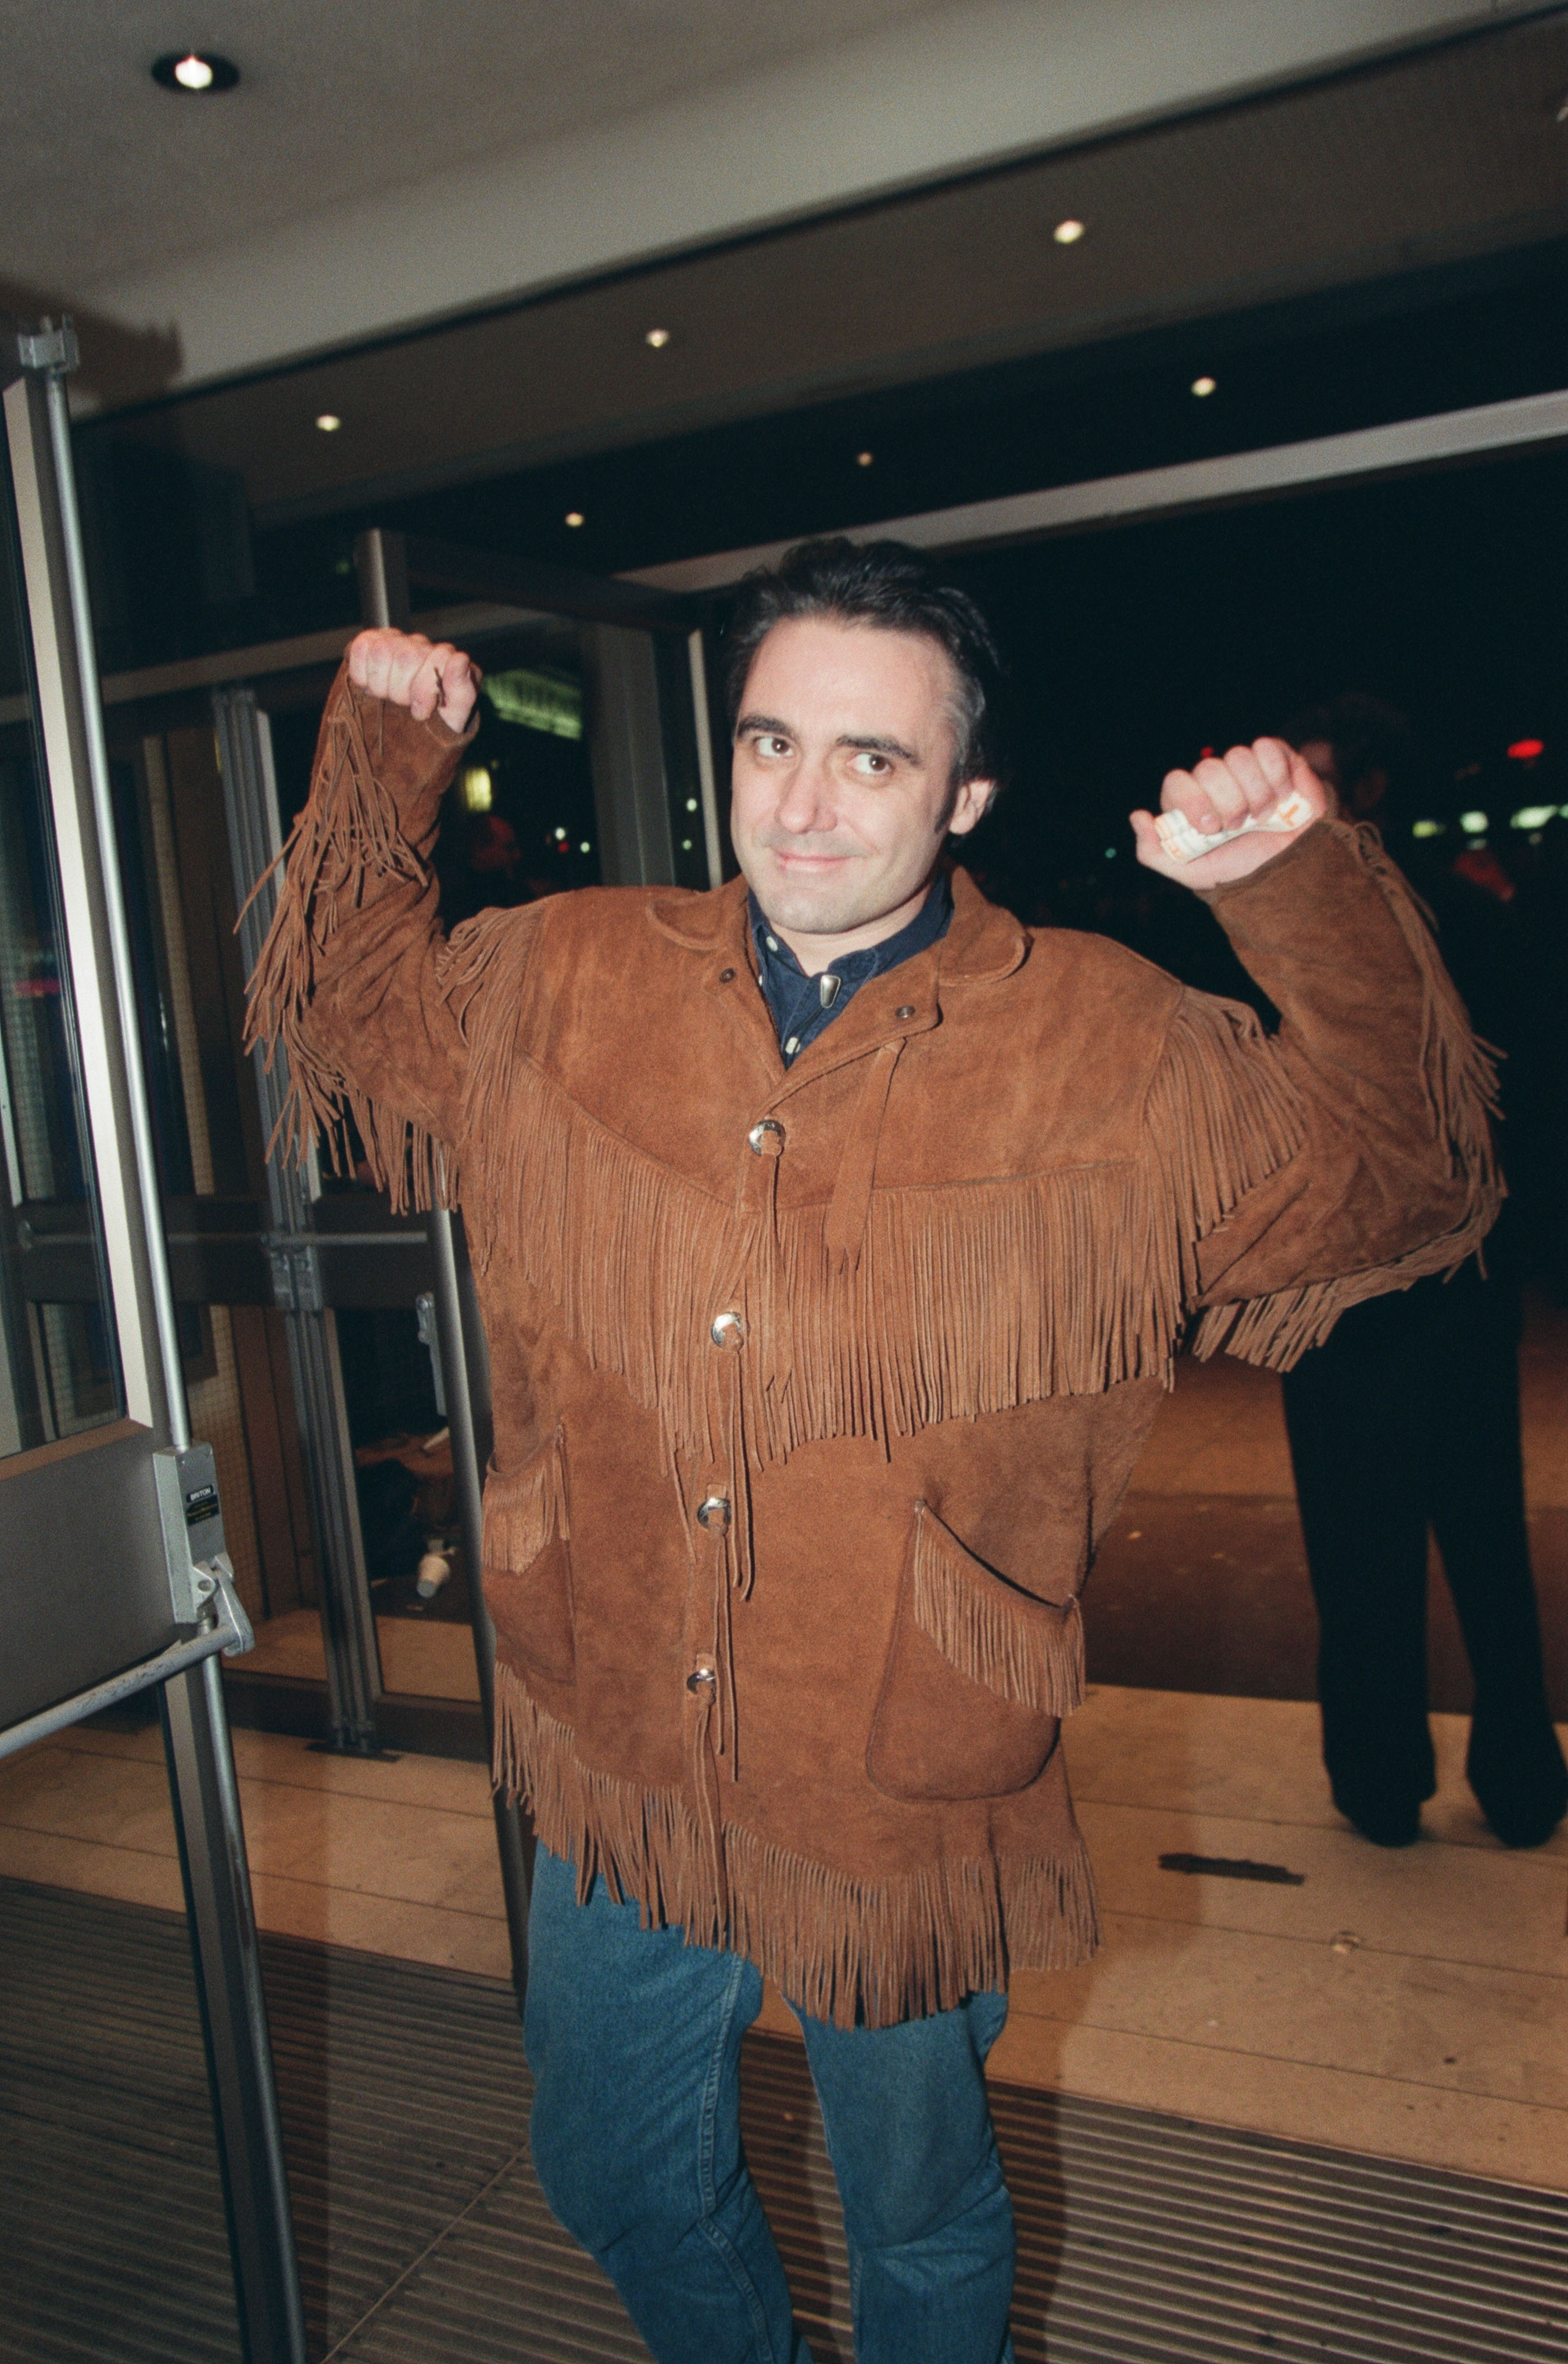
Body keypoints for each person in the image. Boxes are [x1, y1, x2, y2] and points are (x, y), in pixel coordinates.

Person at [248, 540, 1500, 2364]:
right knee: (607, 2160)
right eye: (771, 745)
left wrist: (1302, 896)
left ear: (967, 788)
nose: (806, 807)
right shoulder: (572, 973)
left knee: (917, 2217)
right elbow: (349, 1015)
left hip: (903, 1771)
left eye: (873, 757)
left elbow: (1410, 1185)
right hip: (615, 1731)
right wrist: (372, 773)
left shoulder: (1114, 1046)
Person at [1280, 697, 1566, 1850]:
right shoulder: (1464, 906)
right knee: (1485, 1537)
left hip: (1346, 1286)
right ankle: (1519, 1780)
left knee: (1359, 1553)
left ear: (1365, 794)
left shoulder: (1306, 932)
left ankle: (1380, 1779)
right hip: (1462, 1279)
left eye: (1304, 780)